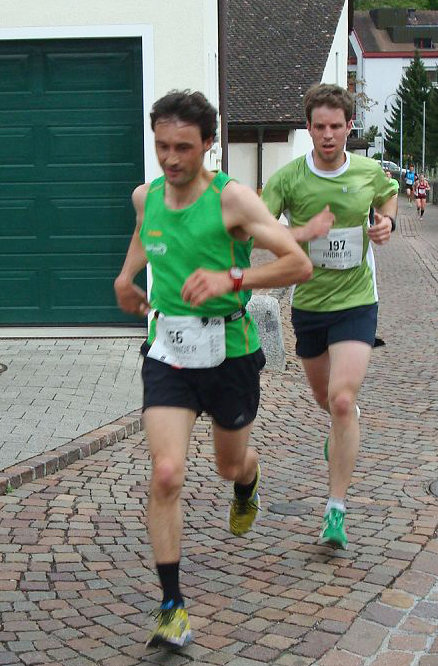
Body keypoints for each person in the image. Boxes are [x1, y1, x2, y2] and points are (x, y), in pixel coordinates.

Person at [113, 90, 332, 648]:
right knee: (167, 472)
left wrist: (231, 279)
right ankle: (172, 606)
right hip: (168, 352)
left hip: (229, 352)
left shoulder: (233, 200)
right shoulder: (146, 196)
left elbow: (297, 264)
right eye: (162, 146)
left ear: (209, 144)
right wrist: (125, 277)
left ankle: (247, 481)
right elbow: (145, 232)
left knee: (229, 464)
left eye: (183, 148)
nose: (170, 159)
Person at [262, 83, 398, 551]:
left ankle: (334, 511)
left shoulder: (367, 171)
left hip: (357, 300)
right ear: (308, 128)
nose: (327, 135)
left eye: (336, 126)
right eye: (319, 126)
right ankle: (344, 425)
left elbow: (388, 195)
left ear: (348, 127)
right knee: (326, 398)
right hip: (309, 304)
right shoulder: (288, 179)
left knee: (341, 399)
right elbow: (258, 231)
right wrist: (303, 232)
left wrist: (386, 221)